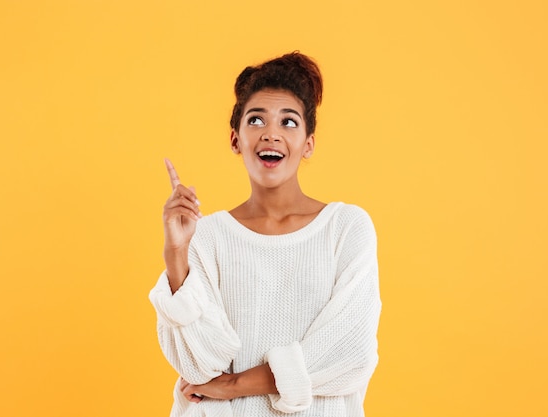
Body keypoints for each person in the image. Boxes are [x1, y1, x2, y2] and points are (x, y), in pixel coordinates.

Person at [149, 52, 382, 417]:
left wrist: (234, 384)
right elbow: (198, 368)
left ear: (308, 143)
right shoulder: (206, 236)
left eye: (289, 122)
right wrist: (176, 255)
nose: (271, 132)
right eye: (256, 119)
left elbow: (349, 353)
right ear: (235, 139)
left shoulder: (346, 229)